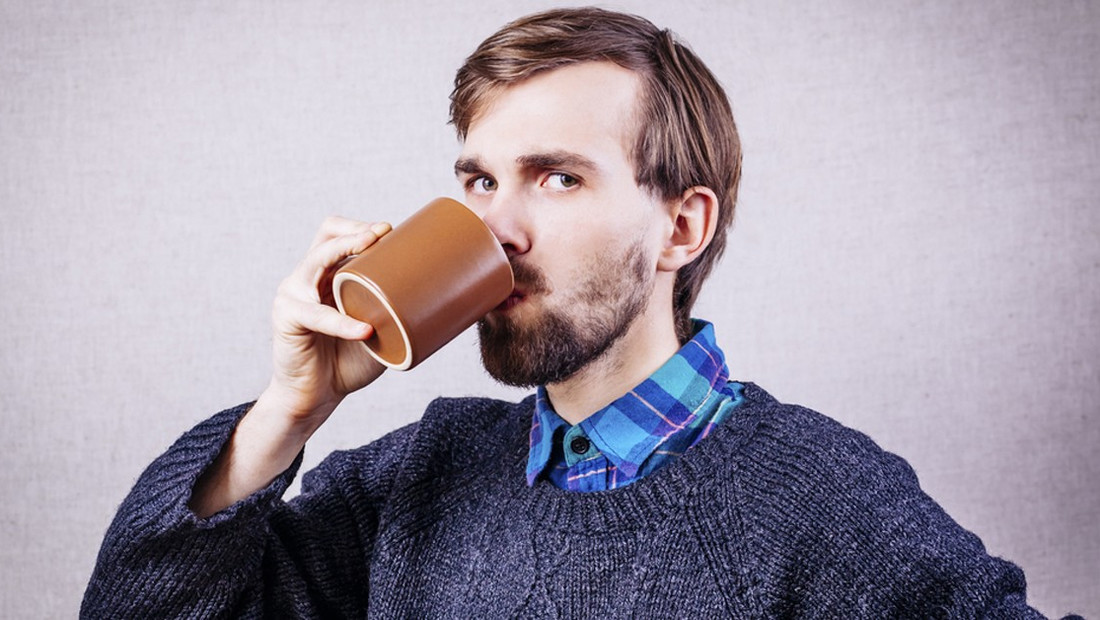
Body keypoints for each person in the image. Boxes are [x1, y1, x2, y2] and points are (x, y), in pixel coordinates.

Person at [83, 7, 1064, 618]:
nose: (496, 225)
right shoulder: (416, 474)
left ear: (679, 228)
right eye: (476, 181)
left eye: (555, 177)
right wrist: (284, 415)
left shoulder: (825, 501)